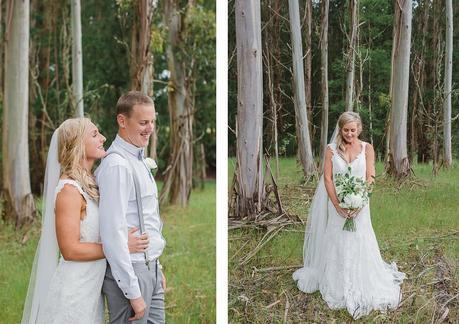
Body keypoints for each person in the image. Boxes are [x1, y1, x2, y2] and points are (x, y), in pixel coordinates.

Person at [21, 118, 149, 324]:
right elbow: (70, 250)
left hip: (92, 291)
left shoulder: (92, 183)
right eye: (94, 134)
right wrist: (120, 247)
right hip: (74, 292)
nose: (103, 138)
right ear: (77, 143)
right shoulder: (69, 190)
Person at [293, 111, 405, 319]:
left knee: (360, 238)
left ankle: (362, 278)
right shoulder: (331, 150)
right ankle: (336, 281)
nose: (349, 134)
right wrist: (337, 205)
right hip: (338, 205)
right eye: (346, 130)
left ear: (359, 129)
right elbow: (327, 179)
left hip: (361, 205)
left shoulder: (367, 148)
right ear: (340, 129)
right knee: (337, 239)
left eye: (353, 130)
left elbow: (370, 177)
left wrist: (361, 202)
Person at [96, 91, 166, 323]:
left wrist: (157, 268)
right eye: (143, 122)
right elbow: (113, 233)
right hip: (131, 272)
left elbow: (146, 218)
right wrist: (133, 293)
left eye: (153, 121)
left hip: (150, 268)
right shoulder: (117, 165)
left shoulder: (138, 159)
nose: (150, 128)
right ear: (122, 121)